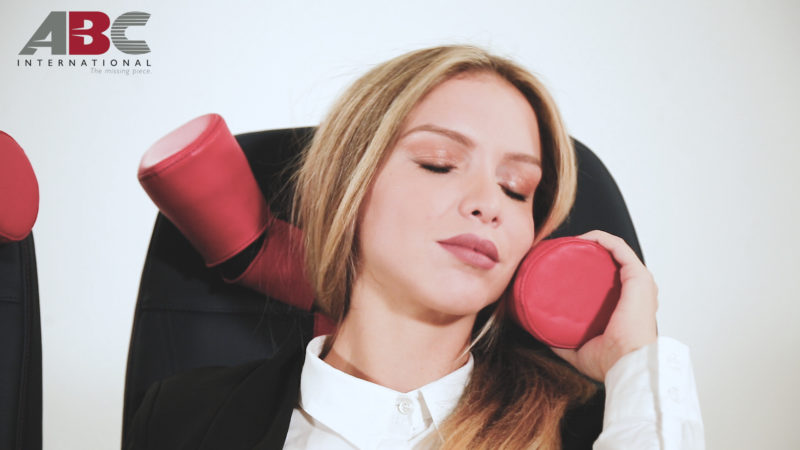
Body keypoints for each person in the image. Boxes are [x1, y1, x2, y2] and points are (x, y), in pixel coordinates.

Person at [126, 45, 703, 449]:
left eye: (517, 188)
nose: (490, 203)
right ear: (347, 188)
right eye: (439, 163)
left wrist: (635, 364)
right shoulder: (181, 418)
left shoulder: (595, 428)